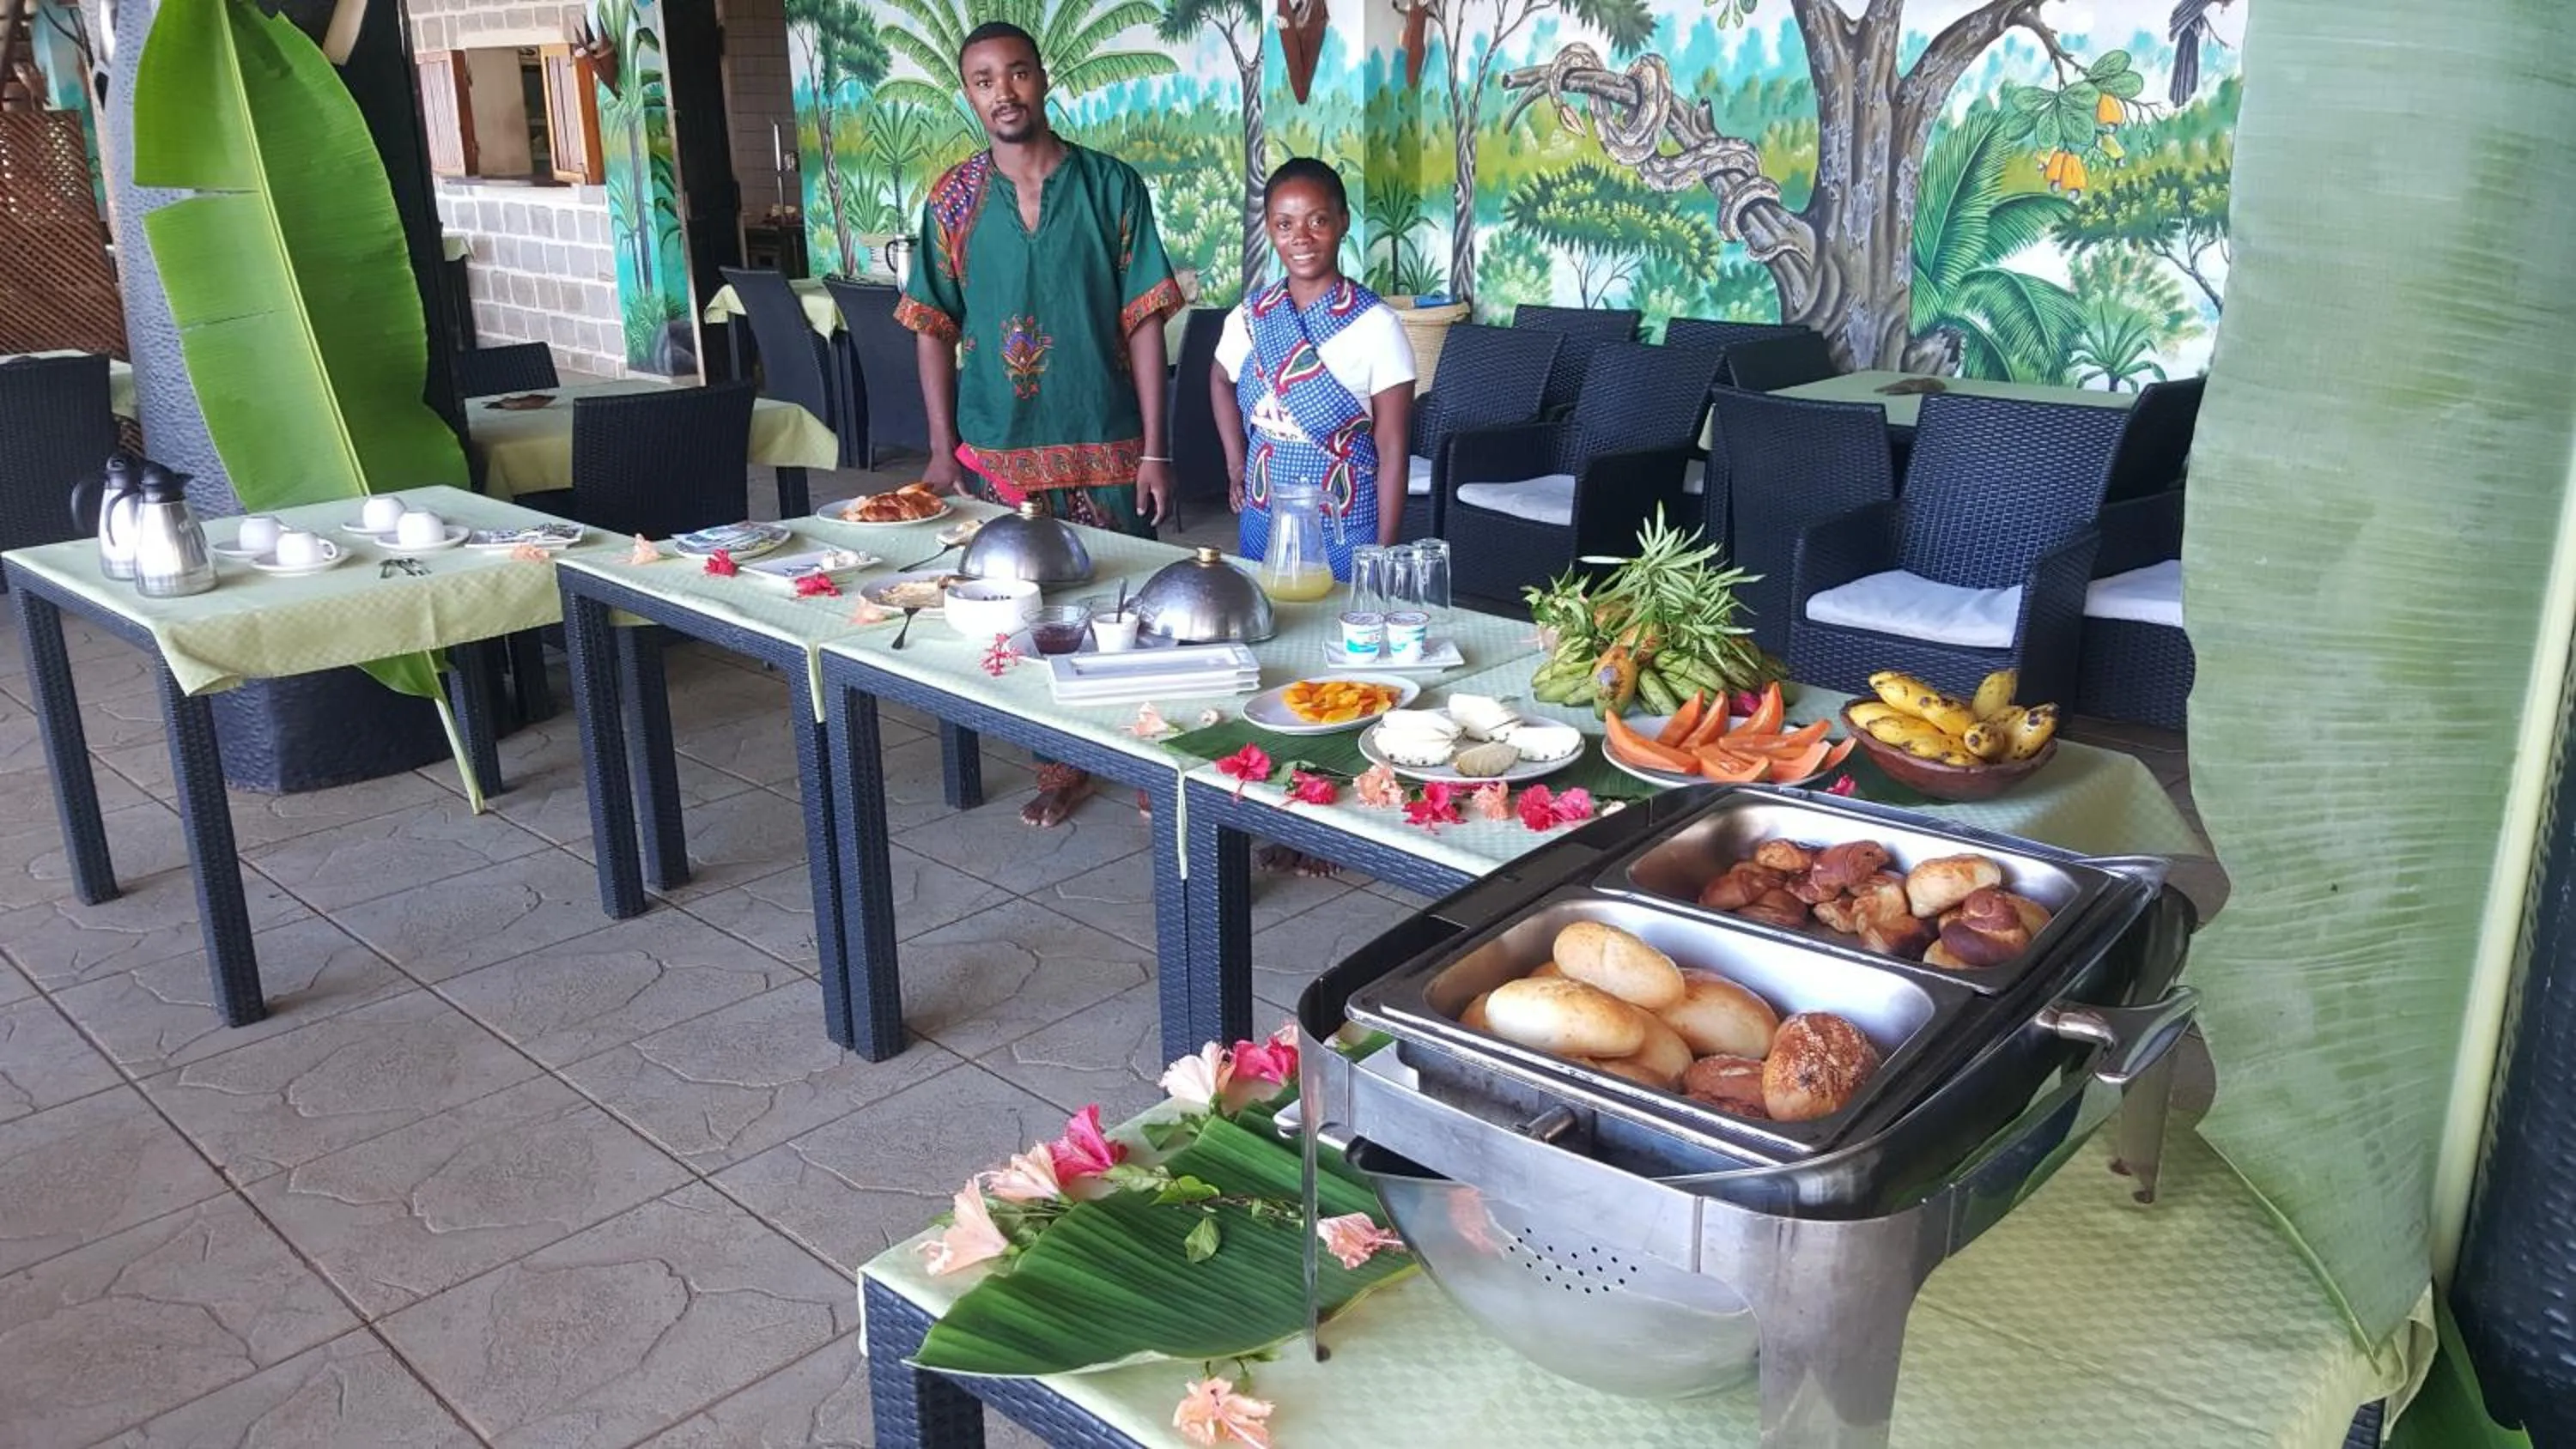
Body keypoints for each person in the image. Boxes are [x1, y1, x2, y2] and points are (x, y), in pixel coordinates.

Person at [897, 20, 1187, 828]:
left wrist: (1157, 448)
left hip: (1109, 440)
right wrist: (939, 450)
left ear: (1042, 78)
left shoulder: (1111, 187)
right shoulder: (950, 200)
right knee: (1028, 616)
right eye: (985, 80)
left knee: (1129, 607)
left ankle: (1147, 759)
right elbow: (932, 325)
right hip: (999, 451)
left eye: (1016, 74)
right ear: (969, 93)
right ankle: (1060, 762)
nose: (1004, 93)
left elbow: (1145, 321)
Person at [1212, 158, 1417, 579]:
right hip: (1262, 520)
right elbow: (1218, 380)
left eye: (1317, 221)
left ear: (1342, 222)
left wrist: (1384, 552)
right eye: (1284, 225)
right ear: (1270, 229)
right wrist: (1236, 464)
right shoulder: (1250, 317)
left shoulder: (1377, 327)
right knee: (1268, 627)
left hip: (1346, 527)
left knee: (1340, 635)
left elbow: (1393, 449)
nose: (1300, 238)